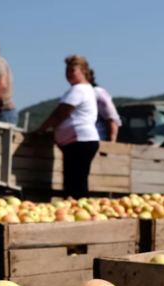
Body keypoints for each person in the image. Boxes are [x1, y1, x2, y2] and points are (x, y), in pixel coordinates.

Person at [36, 55, 99, 199]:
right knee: (75, 182)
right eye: (67, 70)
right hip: (78, 142)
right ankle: (77, 211)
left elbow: (61, 112)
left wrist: (43, 128)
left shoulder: (79, 89)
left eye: (73, 70)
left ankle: (81, 213)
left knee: (76, 184)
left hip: (80, 141)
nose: (69, 74)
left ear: (84, 71)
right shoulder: (85, 89)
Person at [88, 69, 121, 142]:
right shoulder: (77, 94)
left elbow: (112, 119)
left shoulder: (97, 92)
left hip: (98, 143)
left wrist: (110, 145)